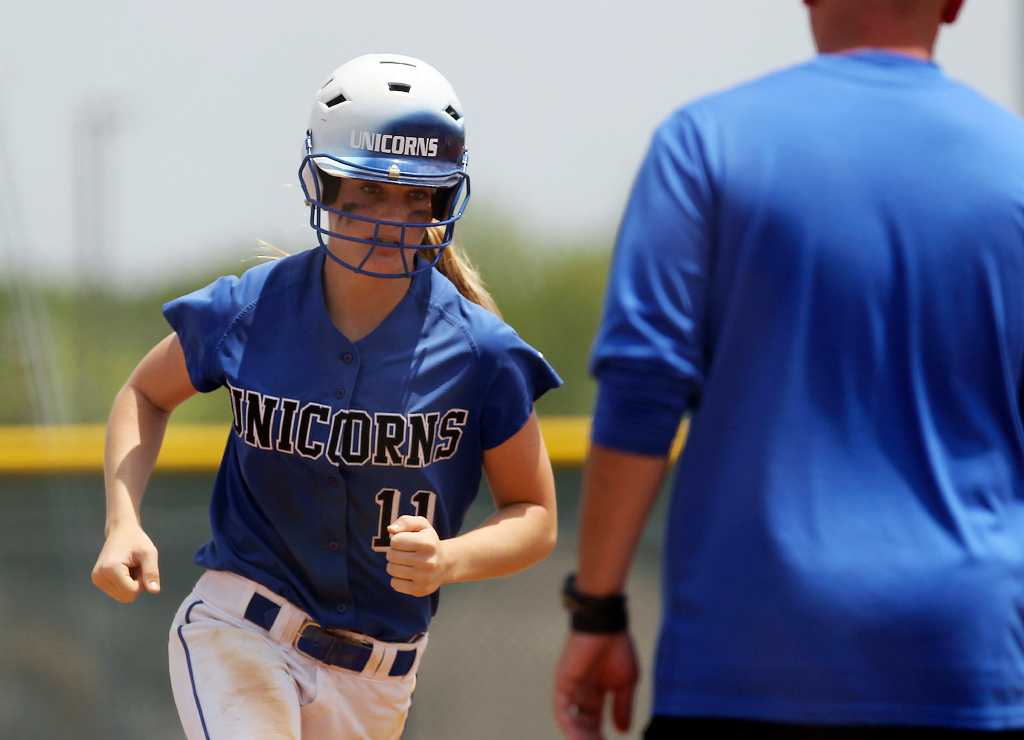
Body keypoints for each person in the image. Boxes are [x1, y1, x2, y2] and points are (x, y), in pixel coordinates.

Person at [554, 1, 1024, 737]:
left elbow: (643, 387)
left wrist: (598, 608)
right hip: (968, 658)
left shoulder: (704, 144)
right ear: (957, 4)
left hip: (748, 663)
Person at [90, 53, 561, 740]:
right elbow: (144, 392)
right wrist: (123, 521)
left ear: (444, 200)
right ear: (325, 186)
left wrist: (449, 560)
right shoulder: (253, 307)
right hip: (241, 629)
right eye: (369, 190)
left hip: (379, 679)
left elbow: (535, 513)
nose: (391, 216)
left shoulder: (479, 350)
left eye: (415, 195)